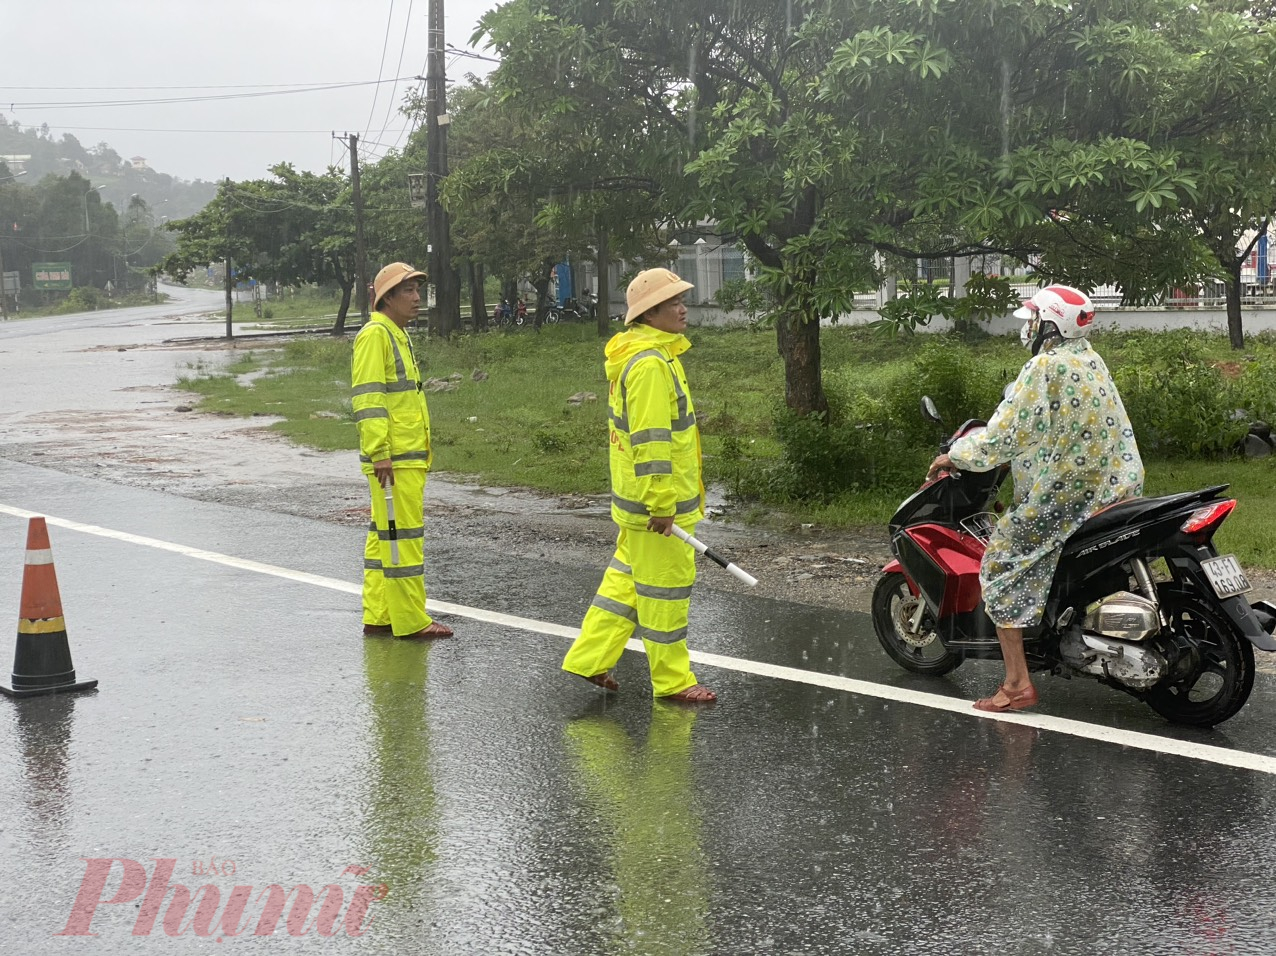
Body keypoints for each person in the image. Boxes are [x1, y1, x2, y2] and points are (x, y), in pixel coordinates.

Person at [926, 284, 1143, 712]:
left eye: (1031, 320)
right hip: (1118, 485)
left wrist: (953, 455)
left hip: (1071, 493)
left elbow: (1003, 437)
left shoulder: (1043, 367)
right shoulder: (1089, 359)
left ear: (1049, 323)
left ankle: (1015, 684)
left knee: (1001, 563)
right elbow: (1061, 429)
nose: (1026, 328)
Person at [562, 268, 716, 703]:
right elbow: (651, 441)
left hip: (641, 505)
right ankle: (673, 681)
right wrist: (662, 503)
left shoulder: (649, 355)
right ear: (649, 313)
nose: (683, 308)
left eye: (682, 300)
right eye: (673, 303)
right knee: (665, 592)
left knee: (625, 585)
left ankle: (589, 660)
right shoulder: (649, 364)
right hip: (659, 508)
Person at [351, 262, 453, 640]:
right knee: (404, 538)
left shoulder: (394, 332)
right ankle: (411, 620)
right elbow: (369, 398)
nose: (416, 298)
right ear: (386, 298)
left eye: (417, 290)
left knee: (385, 536)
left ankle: (379, 614)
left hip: (403, 456)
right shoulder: (376, 334)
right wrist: (379, 452)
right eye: (407, 291)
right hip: (394, 459)